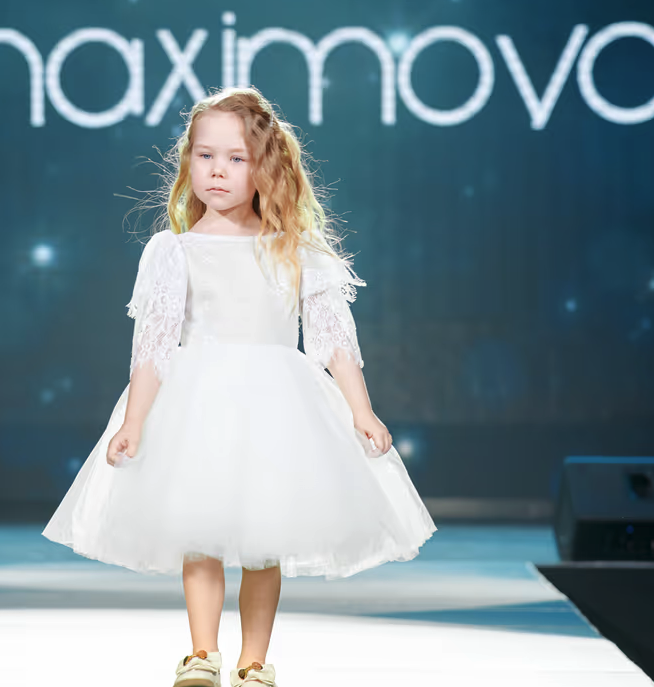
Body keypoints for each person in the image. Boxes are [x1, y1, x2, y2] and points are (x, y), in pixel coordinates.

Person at [42, 86, 436, 687]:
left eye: (235, 158)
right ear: (189, 162)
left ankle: (254, 661)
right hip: (196, 407)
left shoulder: (296, 250)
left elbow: (333, 338)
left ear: (265, 166)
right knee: (198, 532)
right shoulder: (173, 251)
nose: (218, 171)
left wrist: (361, 410)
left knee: (263, 538)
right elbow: (154, 346)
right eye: (205, 156)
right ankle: (203, 653)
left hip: (276, 410)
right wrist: (134, 421)